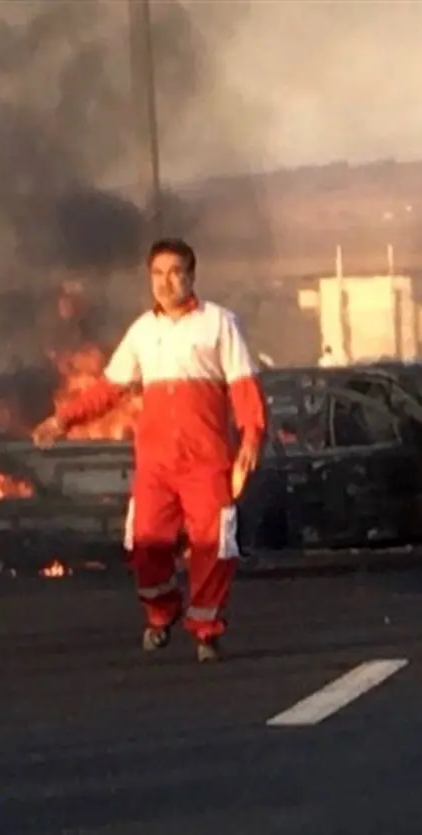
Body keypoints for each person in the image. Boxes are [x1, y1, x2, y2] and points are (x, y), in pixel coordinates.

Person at [33, 238, 267, 663]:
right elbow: (109, 389)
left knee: (213, 543)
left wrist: (251, 438)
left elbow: (244, 387)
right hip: (156, 462)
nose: (166, 282)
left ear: (192, 276)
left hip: (207, 458)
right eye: (158, 274)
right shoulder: (143, 330)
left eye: (176, 272)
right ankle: (160, 614)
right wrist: (62, 419)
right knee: (146, 542)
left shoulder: (220, 323)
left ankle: (206, 630)